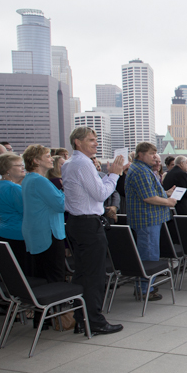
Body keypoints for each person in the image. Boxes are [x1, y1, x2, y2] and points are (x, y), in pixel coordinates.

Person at [62, 127, 125, 335]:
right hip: (88, 226)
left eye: (96, 140)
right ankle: (95, 321)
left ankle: (82, 318)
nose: (96, 143)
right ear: (78, 142)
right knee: (95, 275)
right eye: (91, 140)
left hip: (76, 223)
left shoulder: (70, 163)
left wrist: (109, 176)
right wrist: (114, 176)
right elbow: (100, 194)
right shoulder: (82, 164)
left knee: (82, 273)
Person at [125, 142, 177, 299]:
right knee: (149, 256)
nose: (155, 156)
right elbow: (147, 197)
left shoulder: (143, 169)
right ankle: (144, 289)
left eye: (156, 153)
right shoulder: (141, 171)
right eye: (151, 153)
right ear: (140, 155)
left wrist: (165, 193)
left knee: (149, 254)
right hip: (147, 221)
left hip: (148, 220)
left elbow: (149, 192)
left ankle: (145, 287)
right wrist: (168, 202)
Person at [21, 145, 67, 289]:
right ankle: (58, 309)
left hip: (38, 232)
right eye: (47, 156)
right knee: (55, 275)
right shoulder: (39, 180)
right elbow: (61, 204)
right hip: (48, 233)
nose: (51, 159)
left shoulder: (29, 179)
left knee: (42, 275)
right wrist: (66, 190)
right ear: (36, 161)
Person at [0, 152, 32, 276]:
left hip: (0, 231)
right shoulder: (14, 188)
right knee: (23, 274)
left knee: (9, 272)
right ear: (7, 169)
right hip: (16, 235)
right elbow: (28, 212)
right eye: (19, 165)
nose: (22, 168)